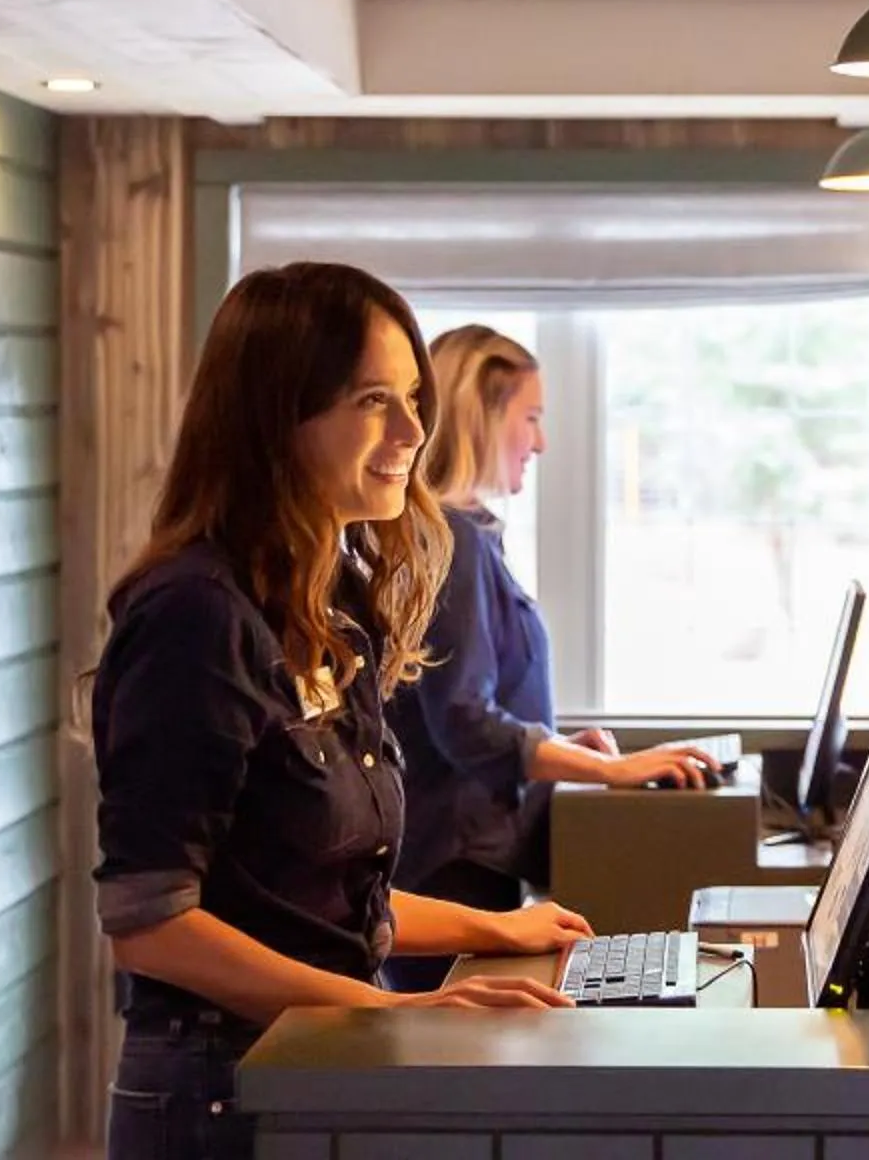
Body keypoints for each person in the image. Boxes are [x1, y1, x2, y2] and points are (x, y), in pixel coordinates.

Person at [91, 265, 595, 1160]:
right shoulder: (194, 613)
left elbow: (314, 898)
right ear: (275, 418)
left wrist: (495, 929)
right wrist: (397, 1010)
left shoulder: (329, 609)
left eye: (413, 399)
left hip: (314, 1063)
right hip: (220, 1088)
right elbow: (152, 925)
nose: (413, 432)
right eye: (373, 401)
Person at [387, 326, 720, 986]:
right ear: (482, 416)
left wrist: (564, 748)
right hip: (453, 867)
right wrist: (611, 770)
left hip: (469, 861)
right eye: (531, 418)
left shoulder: (465, 536)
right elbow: (464, 720)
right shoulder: (453, 541)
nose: (539, 442)